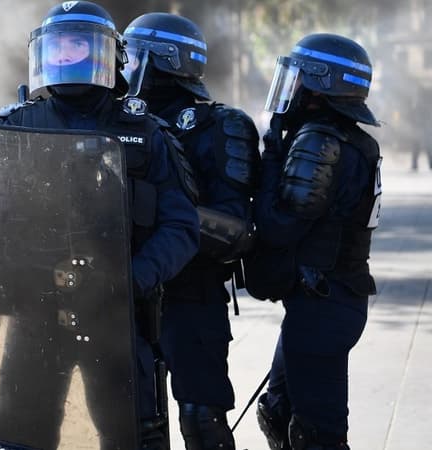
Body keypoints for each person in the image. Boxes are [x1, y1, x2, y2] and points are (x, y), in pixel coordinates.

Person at [0, 2, 200, 448]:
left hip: (118, 318)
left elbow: (181, 227)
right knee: (22, 436)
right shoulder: (15, 127)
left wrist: (130, 282)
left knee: (132, 438)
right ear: (42, 55)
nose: (67, 58)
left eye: (79, 47)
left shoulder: (146, 132)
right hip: (35, 316)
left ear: (108, 55)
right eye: (58, 48)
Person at [122, 13, 261, 450]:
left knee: (202, 419)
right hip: (127, 291)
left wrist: (164, 219)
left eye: (130, 57)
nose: (121, 68)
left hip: (191, 292)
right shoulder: (117, 122)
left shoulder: (220, 125)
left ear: (161, 60)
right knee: (127, 419)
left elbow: (236, 230)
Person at [253, 34, 382, 450]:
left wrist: (272, 152)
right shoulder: (349, 138)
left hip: (323, 306)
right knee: (278, 410)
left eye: (298, 78)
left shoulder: (319, 140)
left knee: (318, 437)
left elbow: (278, 227)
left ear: (319, 85)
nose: (289, 88)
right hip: (326, 301)